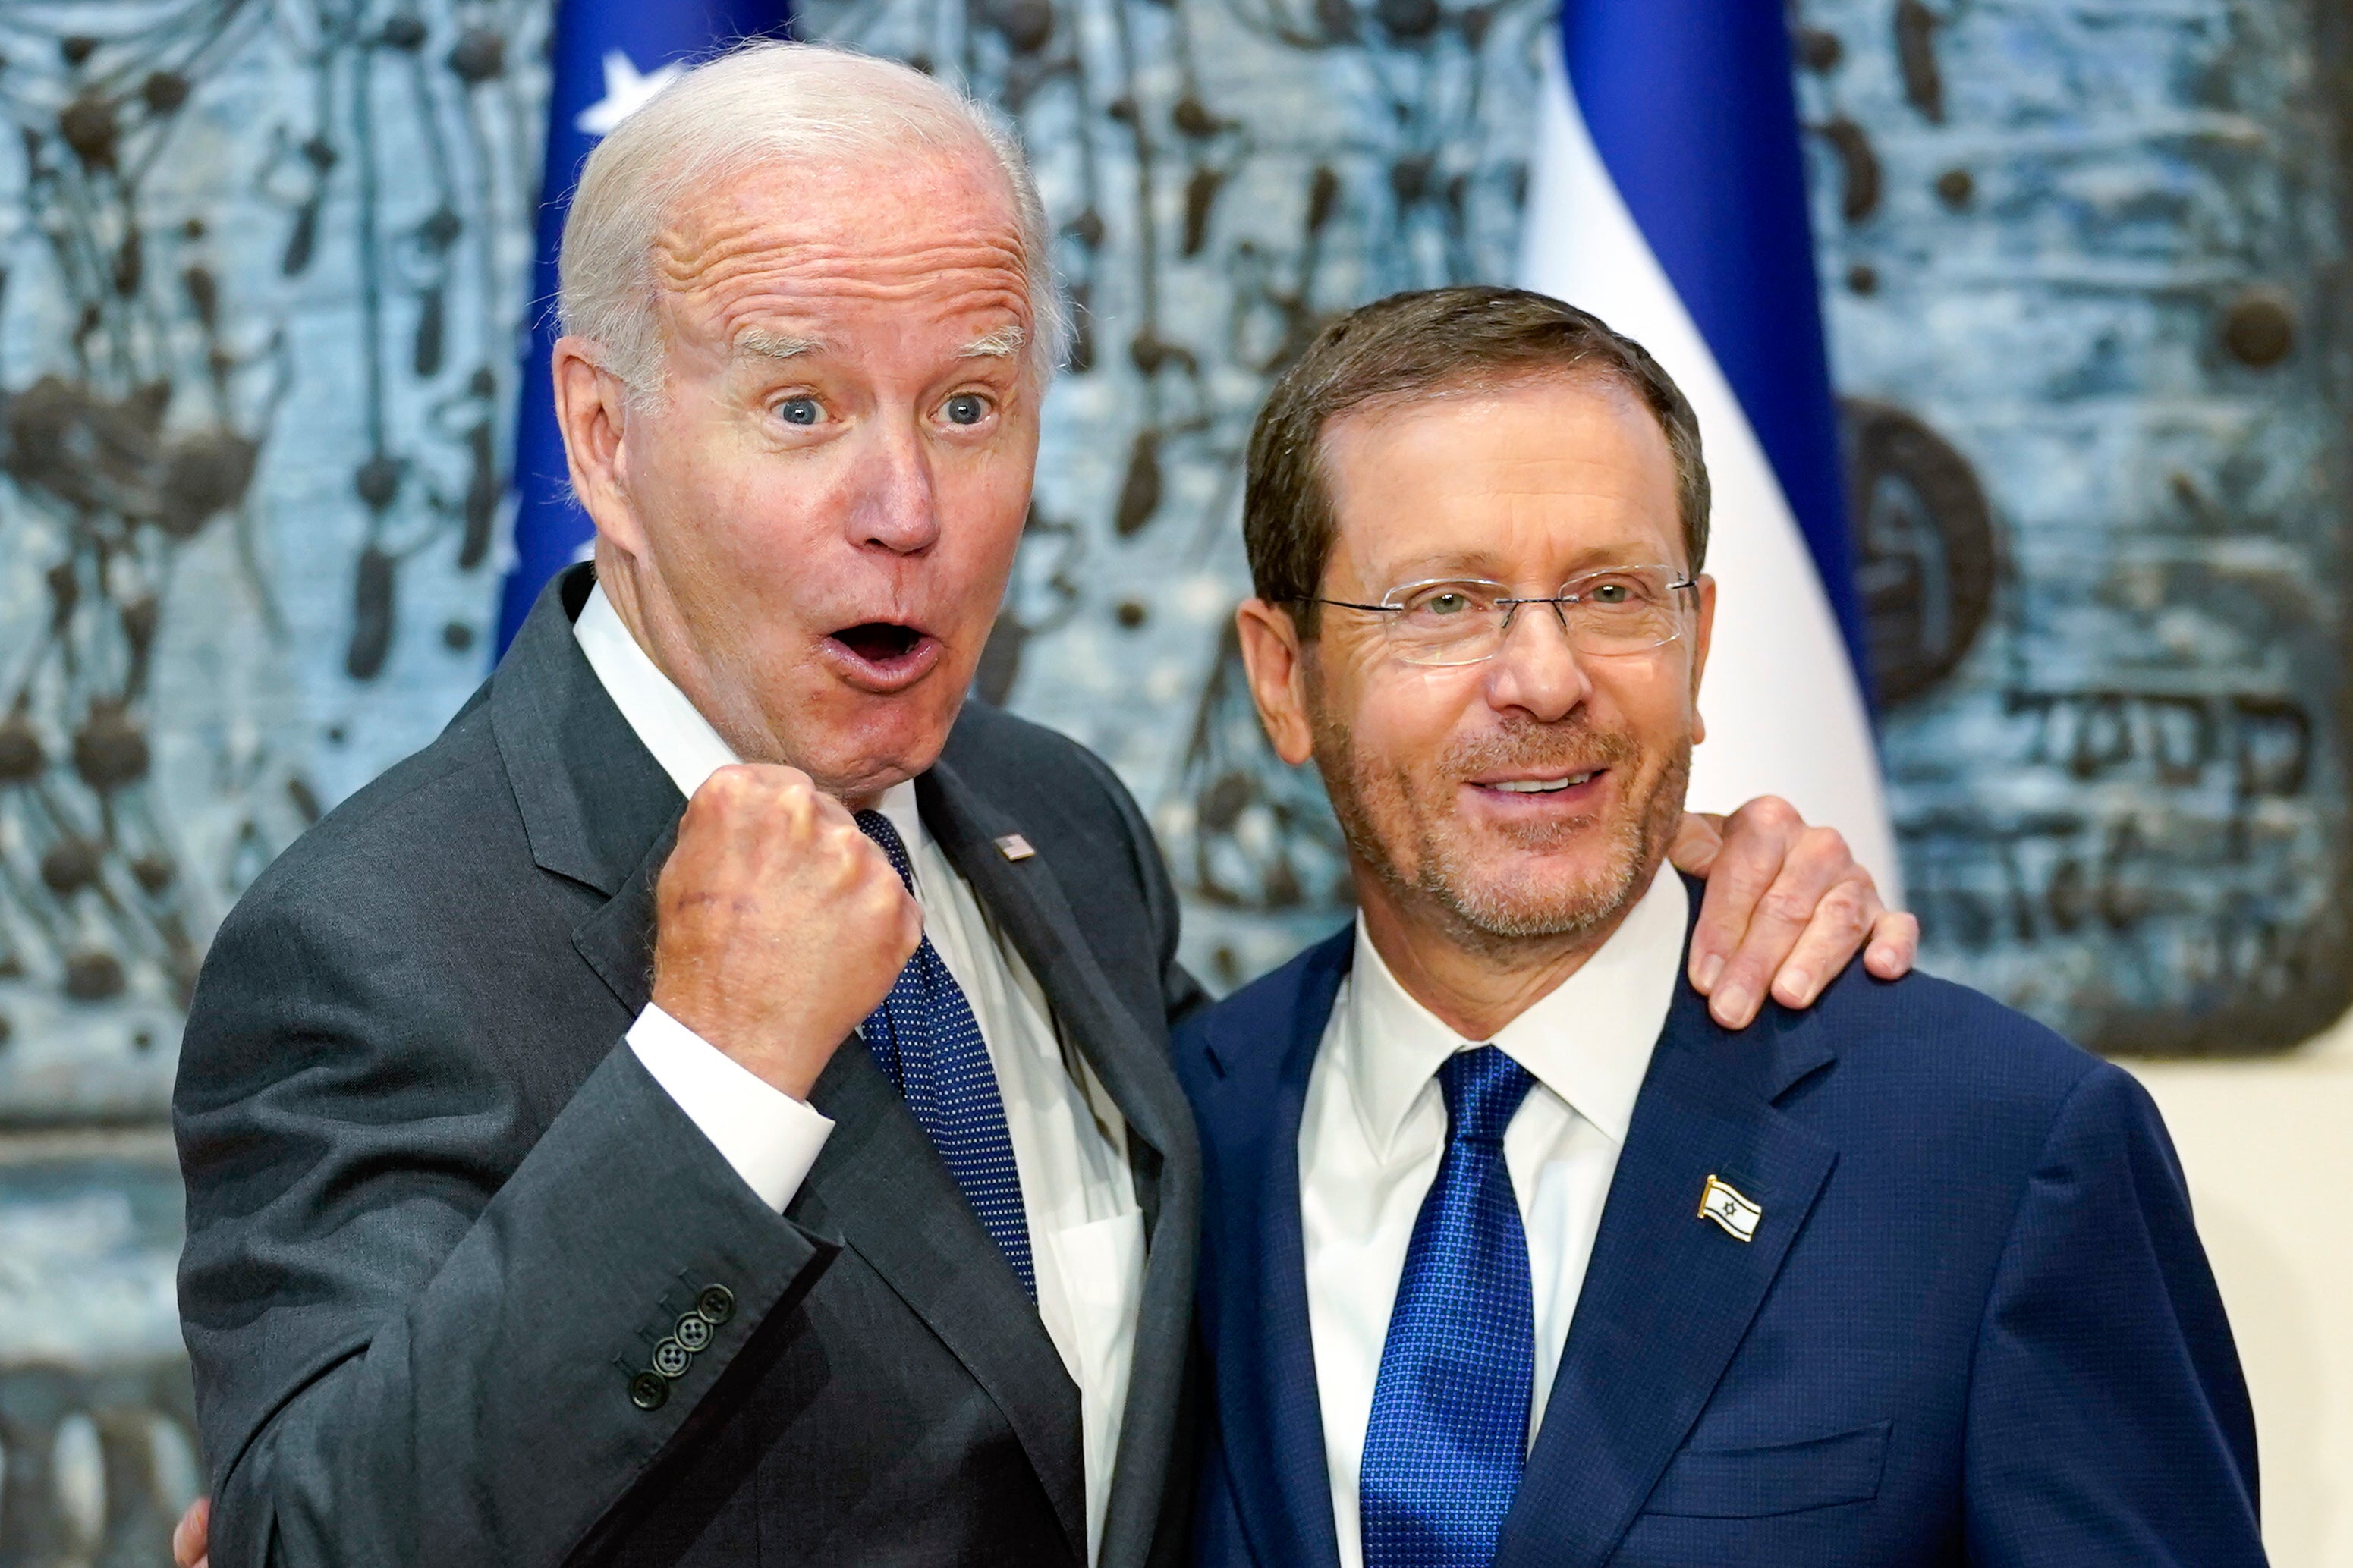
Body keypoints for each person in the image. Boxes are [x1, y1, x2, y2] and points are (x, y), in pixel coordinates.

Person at [169, 47, 1914, 1568]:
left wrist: (1634, 884)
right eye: (800, 407)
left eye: (971, 404)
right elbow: (316, 1539)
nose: (906, 503)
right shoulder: (380, 934)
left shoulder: (1052, 818)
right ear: (604, 434)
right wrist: (703, 1086)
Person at [1178, 287, 2265, 1568]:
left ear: (1695, 645)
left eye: (1611, 593)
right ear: (1281, 678)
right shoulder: (1174, 1136)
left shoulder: (2001, 1157)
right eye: (1443, 605)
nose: (1544, 678)